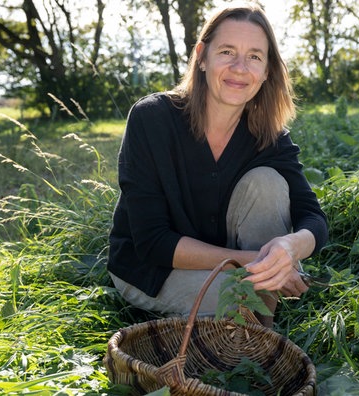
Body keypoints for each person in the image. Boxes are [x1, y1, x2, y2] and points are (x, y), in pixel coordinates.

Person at [107, 3, 328, 327]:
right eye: (227, 51)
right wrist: (258, 264)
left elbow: (313, 217)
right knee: (238, 297)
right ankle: (251, 328)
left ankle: (258, 331)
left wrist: (289, 249)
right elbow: (153, 241)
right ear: (202, 56)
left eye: (254, 56)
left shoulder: (268, 134)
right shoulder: (152, 118)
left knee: (267, 182)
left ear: (267, 70)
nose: (240, 67)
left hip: (238, 266)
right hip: (151, 269)